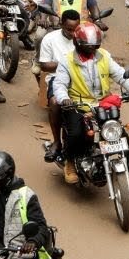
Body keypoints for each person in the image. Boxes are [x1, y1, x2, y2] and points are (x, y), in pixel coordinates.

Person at [51, 23, 129, 196]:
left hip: (103, 104)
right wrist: (64, 99)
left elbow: (120, 74)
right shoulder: (67, 60)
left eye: (95, 46)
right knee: (75, 134)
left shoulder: (104, 56)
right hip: (78, 105)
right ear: (78, 44)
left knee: (121, 137)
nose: (92, 49)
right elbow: (59, 84)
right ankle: (69, 163)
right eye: (89, 46)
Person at [38, 9, 80, 160]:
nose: (72, 33)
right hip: (57, 78)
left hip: (80, 77)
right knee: (55, 102)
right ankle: (57, 141)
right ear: (61, 24)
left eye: (75, 29)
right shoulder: (50, 39)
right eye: (69, 29)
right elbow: (44, 65)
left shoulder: (82, 37)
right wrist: (66, 65)